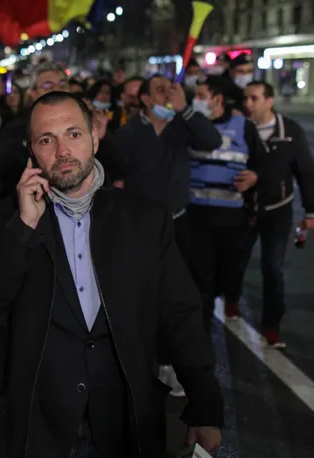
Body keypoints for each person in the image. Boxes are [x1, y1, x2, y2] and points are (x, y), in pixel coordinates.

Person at [0, 91, 223, 458]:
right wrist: (22, 229)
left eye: (73, 134)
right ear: (32, 151)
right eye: (46, 140)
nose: (62, 150)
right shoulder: (6, 220)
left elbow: (182, 315)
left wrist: (206, 405)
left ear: (95, 138)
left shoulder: (143, 219)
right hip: (42, 426)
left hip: (124, 423)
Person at [234, 81, 314, 347]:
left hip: (278, 211)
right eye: (245, 98)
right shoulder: (239, 129)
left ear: (269, 101)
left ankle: (271, 326)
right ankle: (231, 300)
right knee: (235, 261)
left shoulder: (289, 131)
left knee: (273, 268)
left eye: (254, 98)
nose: (248, 104)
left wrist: (310, 210)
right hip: (243, 210)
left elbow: (305, 172)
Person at [114, 74, 222, 262]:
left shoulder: (182, 125)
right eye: (161, 90)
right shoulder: (127, 132)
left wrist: (184, 109)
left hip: (177, 220)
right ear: (146, 100)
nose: (168, 95)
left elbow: (213, 140)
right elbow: (116, 170)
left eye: (171, 89)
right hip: (141, 222)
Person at [186, 77, 265, 332]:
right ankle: (202, 332)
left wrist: (255, 176)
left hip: (231, 220)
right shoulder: (189, 125)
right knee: (201, 279)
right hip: (195, 216)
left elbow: (263, 163)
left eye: (200, 95)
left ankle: (225, 297)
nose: (195, 101)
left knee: (227, 273)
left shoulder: (243, 126)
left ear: (217, 99)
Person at [0, 63, 69, 194]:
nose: (58, 91)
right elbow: (1, 170)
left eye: (63, 85)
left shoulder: (83, 124)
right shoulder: (16, 130)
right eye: (48, 86)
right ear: (33, 93)